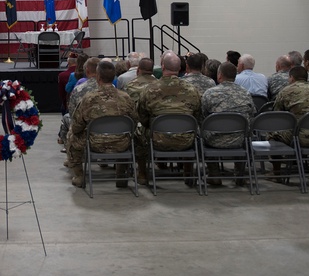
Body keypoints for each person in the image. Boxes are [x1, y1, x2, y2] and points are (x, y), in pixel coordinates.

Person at [67, 59, 137, 188]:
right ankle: (121, 176)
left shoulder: (89, 98)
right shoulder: (126, 97)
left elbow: (77, 125)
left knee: (72, 134)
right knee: (131, 138)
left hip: (95, 143)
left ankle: (79, 176)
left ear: (98, 77)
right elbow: (134, 121)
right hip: (121, 143)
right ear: (114, 77)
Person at [135, 52, 202, 184]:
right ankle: (188, 174)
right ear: (180, 69)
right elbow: (197, 116)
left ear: (162, 66)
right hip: (186, 140)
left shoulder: (149, 90)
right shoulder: (192, 90)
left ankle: (142, 174)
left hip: (157, 139)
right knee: (194, 130)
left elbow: (142, 117)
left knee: (138, 132)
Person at [200, 62, 255, 185]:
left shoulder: (209, 93)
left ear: (219, 75)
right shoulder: (245, 93)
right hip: (239, 140)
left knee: (203, 131)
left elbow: (203, 118)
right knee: (246, 132)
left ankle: (214, 174)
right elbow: (252, 116)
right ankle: (239, 176)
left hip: (214, 140)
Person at [271, 66, 309, 148]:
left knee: (271, 131)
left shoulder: (285, 91)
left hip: (300, 137)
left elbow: (276, 115)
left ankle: (286, 160)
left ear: (291, 78)